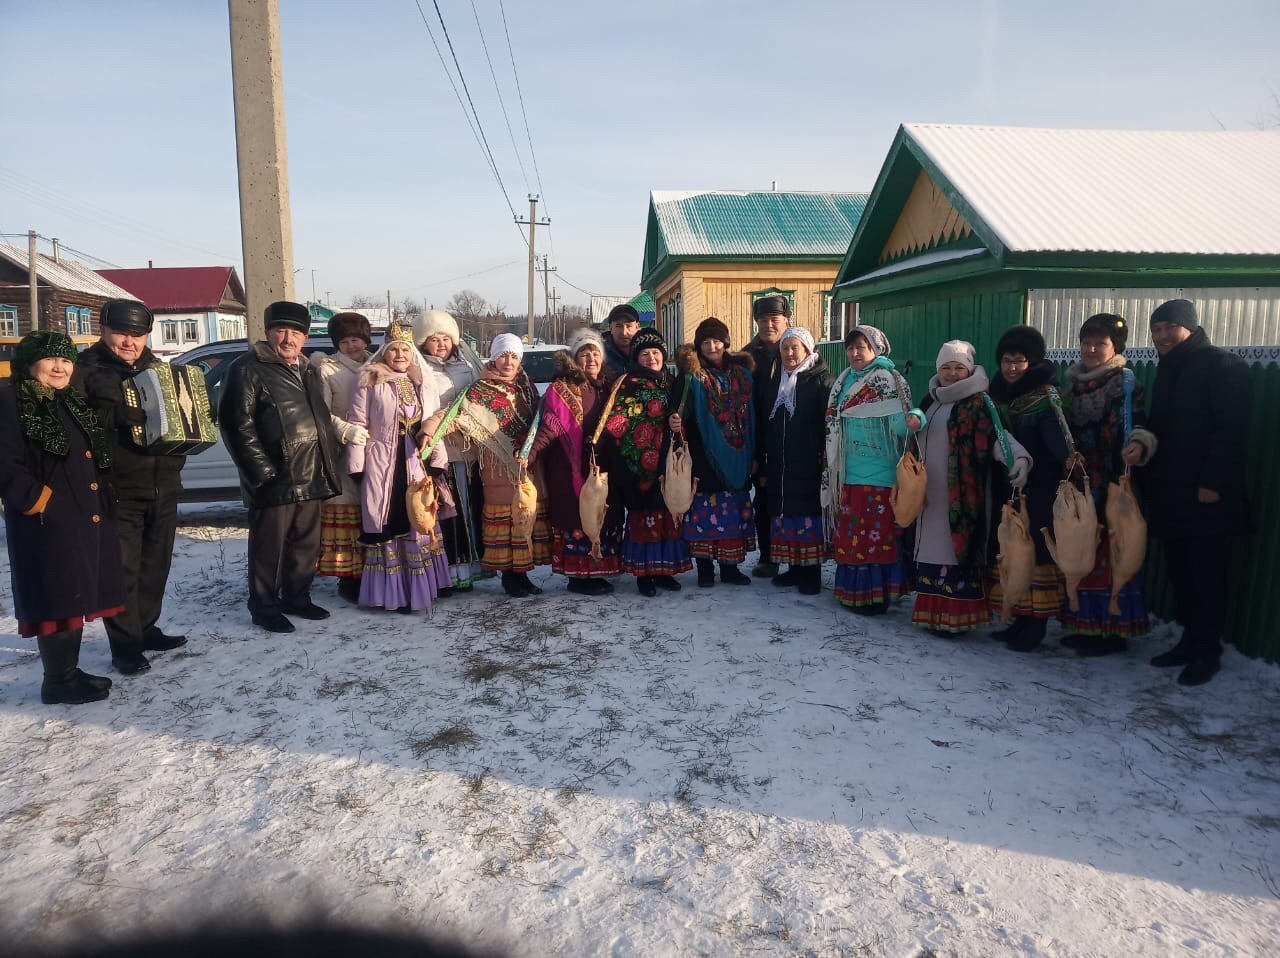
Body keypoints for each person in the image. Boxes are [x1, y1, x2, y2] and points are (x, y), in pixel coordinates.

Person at [1131, 299, 1251, 686]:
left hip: (1205, 494)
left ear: (1190, 327)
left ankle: (1207, 652)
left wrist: (1213, 483)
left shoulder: (1222, 365)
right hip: (1171, 491)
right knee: (1181, 573)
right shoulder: (1169, 368)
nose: (1163, 336)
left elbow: (1232, 431)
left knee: (1206, 575)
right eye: (1157, 329)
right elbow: (1161, 426)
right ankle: (1188, 641)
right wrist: (1141, 443)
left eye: (1170, 327)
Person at [0, 331, 124, 704]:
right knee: (55, 598)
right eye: (51, 360)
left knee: (74, 595)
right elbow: (4, 461)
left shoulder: (65, 400)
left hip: (81, 514)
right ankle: (57, 681)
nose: (59, 367)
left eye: (66, 360)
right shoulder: (10, 400)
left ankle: (66, 671)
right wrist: (37, 500)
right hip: (46, 520)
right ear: (30, 363)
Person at [73, 299, 187, 675]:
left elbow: (177, 418)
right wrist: (114, 417)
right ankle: (124, 646)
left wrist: (182, 445)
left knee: (156, 565)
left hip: (163, 485)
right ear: (104, 330)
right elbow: (73, 423)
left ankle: (146, 628)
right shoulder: (85, 371)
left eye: (137, 335)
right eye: (122, 333)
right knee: (123, 570)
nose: (129, 342)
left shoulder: (159, 370)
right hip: (117, 488)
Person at [219, 300, 342, 633]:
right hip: (274, 476)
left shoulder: (309, 370)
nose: (289, 338)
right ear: (268, 332)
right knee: (268, 548)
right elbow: (235, 424)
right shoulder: (248, 368)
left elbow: (320, 420)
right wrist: (262, 472)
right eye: (281, 330)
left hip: (311, 470)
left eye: (296, 332)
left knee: (305, 544)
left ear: (305, 337)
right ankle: (264, 606)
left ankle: (297, 597)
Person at [911, 341, 1030, 635]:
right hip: (929, 495)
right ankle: (932, 614)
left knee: (954, 553)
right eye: (946, 368)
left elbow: (999, 438)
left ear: (970, 370)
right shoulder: (930, 401)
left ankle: (957, 618)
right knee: (931, 553)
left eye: (958, 368)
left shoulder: (980, 403)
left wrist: (1019, 460)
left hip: (963, 496)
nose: (951, 374)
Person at [1060, 314, 1157, 656]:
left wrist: (1139, 444)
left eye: (1099, 344)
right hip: (1082, 480)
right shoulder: (1072, 384)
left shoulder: (1124, 382)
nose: (1090, 349)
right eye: (1086, 342)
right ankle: (1085, 626)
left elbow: (1138, 422)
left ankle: (1112, 630)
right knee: (1082, 550)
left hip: (1113, 481)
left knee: (1112, 552)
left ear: (1115, 347)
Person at [426, 333, 550, 598]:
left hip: (527, 463)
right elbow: (455, 415)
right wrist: (430, 430)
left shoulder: (526, 385)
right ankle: (510, 577)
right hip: (497, 463)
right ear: (494, 357)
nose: (508, 361)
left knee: (525, 517)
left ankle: (523, 574)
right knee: (506, 521)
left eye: (514, 356)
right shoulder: (478, 390)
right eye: (503, 355)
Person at [347, 325, 451, 611]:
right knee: (387, 520)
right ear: (384, 351)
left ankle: (421, 589)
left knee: (417, 519)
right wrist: (357, 464)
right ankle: (394, 595)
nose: (400, 354)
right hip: (382, 461)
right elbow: (358, 423)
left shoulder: (421, 382)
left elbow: (432, 422)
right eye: (394, 349)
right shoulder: (369, 380)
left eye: (405, 349)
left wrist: (437, 460)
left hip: (414, 462)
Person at [823, 325, 924, 614]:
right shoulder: (844, 383)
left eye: (862, 347)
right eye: (851, 347)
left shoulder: (887, 380)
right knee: (854, 538)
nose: (855, 353)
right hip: (848, 474)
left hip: (879, 476)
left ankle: (875, 596)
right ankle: (853, 592)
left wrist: (915, 419)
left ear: (875, 350)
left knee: (874, 540)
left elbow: (901, 422)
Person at [986, 325, 1073, 651]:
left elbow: (1058, 443)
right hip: (1009, 487)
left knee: (1035, 554)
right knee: (1013, 554)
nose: (1011, 367)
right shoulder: (998, 394)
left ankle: (1034, 625)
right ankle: (1018, 617)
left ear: (1032, 362)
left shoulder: (1045, 398)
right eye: (1007, 360)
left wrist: (1066, 460)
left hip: (1040, 490)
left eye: (1019, 361)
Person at [523, 327, 624, 595]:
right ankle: (579, 577)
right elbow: (548, 427)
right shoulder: (563, 388)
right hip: (569, 467)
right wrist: (530, 454)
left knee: (602, 514)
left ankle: (598, 570)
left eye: (595, 353)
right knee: (576, 517)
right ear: (574, 358)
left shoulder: (607, 387)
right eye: (584, 353)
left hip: (601, 466)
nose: (590, 359)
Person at [595, 327, 692, 596]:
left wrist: (678, 424)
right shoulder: (626, 384)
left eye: (656, 352)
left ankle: (664, 571)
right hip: (634, 463)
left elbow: (686, 421)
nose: (651, 358)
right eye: (645, 353)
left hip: (667, 464)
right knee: (642, 518)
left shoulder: (673, 384)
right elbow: (615, 422)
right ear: (637, 358)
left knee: (666, 517)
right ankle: (644, 574)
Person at [669, 318, 757, 587]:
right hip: (703, 455)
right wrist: (674, 418)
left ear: (726, 342)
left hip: (739, 453)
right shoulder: (690, 376)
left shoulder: (743, 374)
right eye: (705, 341)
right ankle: (705, 569)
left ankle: (730, 568)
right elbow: (677, 408)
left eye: (717, 340)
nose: (712, 346)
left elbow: (754, 415)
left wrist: (755, 455)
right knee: (703, 515)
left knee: (731, 512)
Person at [757, 326, 832, 595]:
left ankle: (810, 573)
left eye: (795, 348)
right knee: (786, 514)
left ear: (808, 350)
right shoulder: (777, 382)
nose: (789, 353)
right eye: (785, 348)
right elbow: (765, 424)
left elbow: (830, 424)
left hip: (809, 461)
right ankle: (793, 568)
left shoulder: (821, 381)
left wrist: (823, 457)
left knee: (807, 516)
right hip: (780, 462)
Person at [416, 309, 484, 593]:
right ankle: (444, 573)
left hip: (469, 449)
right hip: (440, 449)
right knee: (445, 511)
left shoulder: (467, 366)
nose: (441, 344)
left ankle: (468, 569)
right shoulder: (420, 369)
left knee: (469, 511)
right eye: (434, 338)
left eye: (446, 337)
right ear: (423, 342)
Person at [311, 311, 373, 603]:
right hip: (342, 449)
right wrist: (345, 430)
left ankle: (373, 569)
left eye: (356, 340)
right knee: (347, 509)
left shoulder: (378, 364)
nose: (352, 346)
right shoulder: (328, 370)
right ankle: (348, 577)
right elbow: (320, 412)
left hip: (375, 451)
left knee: (371, 510)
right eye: (345, 341)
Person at [743, 295, 791, 578]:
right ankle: (768, 556)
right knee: (763, 499)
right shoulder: (748, 356)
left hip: (794, 439)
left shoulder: (801, 350)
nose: (768, 324)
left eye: (774, 319)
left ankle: (800, 559)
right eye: (762, 320)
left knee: (796, 500)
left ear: (787, 320)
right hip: (760, 437)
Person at [601, 303, 641, 377]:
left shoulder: (647, 351)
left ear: (637, 326)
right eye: (618, 326)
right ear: (610, 328)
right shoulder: (600, 354)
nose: (624, 332)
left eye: (629, 326)